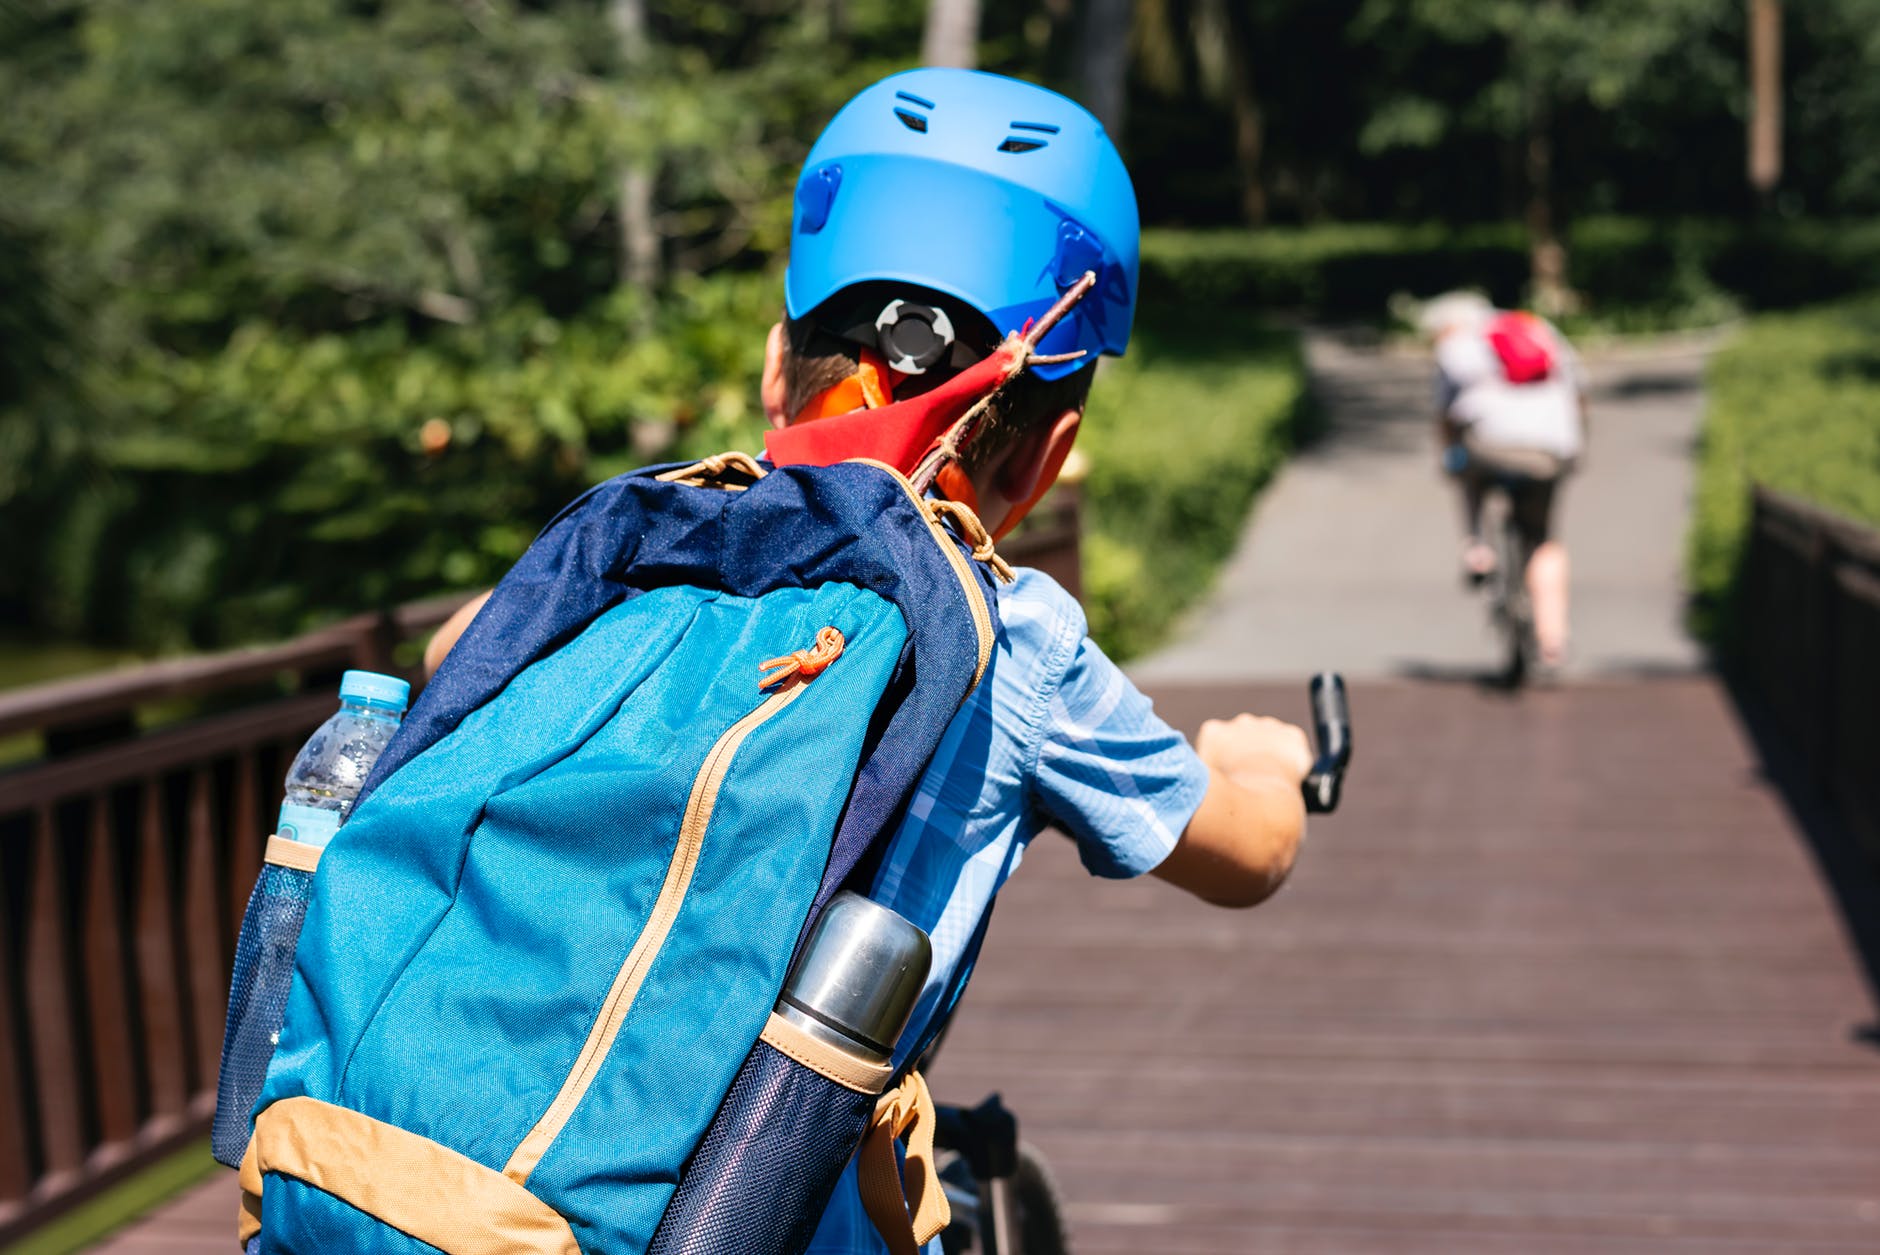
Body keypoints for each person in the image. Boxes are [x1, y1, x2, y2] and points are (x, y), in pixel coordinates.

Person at [427, 67, 1311, 1255]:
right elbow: (1244, 857)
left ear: (769, 369)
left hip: (449, 1172)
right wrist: (1267, 770)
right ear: (1051, 452)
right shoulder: (1020, 642)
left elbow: (452, 656)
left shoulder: (645, 543)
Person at [1420, 291, 1587, 672]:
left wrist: (1448, 457)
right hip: (1550, 448)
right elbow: (1578, 391)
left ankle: (1478, 547)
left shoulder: (1456, 345)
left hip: (1490, 446)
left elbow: (1444, 416)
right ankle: (1552, 637)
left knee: (1467, 472)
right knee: (1543, 538)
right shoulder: (1536, 327)